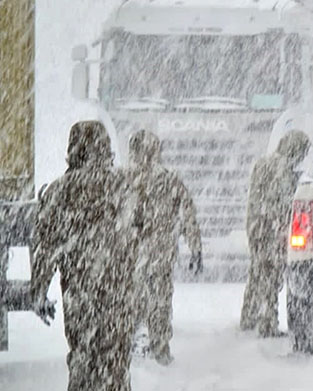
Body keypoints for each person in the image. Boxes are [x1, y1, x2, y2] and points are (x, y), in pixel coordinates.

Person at [31, 121, 140, 391]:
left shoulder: (59, 191)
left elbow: (45, 248)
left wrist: (39, 291)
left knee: (83, 358)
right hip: (119, 294)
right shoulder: (123, 187)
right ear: (106, 148)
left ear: (73, 149)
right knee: (116, 363)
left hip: (79, 295)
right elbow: (139, 238)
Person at [127, 129, 202, 365]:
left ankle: (134, 350)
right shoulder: (170, 179)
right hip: (161, 254)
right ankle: (159, 351)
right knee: (160, 303)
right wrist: (195, 248)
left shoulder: (124, 179)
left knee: (133, 303)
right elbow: (188, 215)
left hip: (132, 256)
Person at [240, 130, 311, 336]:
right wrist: (283, 225)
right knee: (271, 276)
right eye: (302, 152)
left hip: (256, 226)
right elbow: (283, 202)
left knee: (257, 271)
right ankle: (267, 323)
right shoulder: (283, 169)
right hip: (270, 228)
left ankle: (248, 315)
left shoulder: (262, 163)